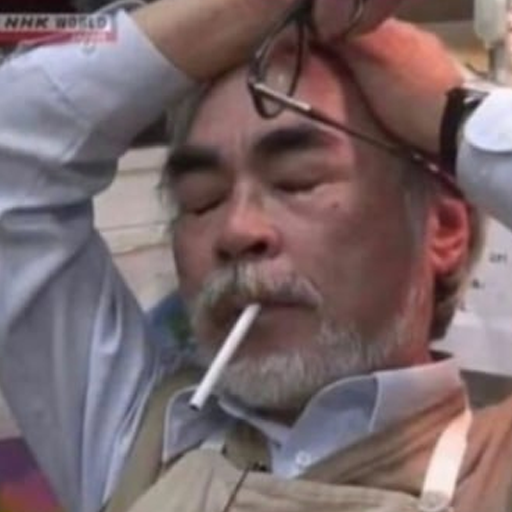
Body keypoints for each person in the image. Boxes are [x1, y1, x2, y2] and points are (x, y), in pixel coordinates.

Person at [0, 1, 512, 512]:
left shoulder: (493, 470)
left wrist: (454, 117)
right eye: (202, 200)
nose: (237, 230)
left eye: (297, 181)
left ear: (445, 229)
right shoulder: (139, 439)